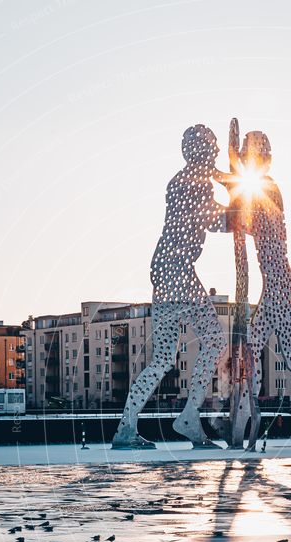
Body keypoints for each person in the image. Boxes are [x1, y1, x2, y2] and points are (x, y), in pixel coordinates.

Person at [112, 125, 229, 449]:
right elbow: (217, 220)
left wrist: (228, 183)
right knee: (216, 339)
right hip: (177, 273)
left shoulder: (185, 181)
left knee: (163, 358)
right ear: (200, 152)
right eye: (212, 148)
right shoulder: (190, 184)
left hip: (165, 273)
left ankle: (126, 428)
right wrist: (247, 212)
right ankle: (190, 416)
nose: (217, 153)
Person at [219, 130, 291, 450]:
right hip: (277, 281)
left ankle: (244, 417)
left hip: (278, 283)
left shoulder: (267, 189)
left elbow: (243, 222)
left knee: (253, 349)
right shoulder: (264, 189)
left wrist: (228, 179)